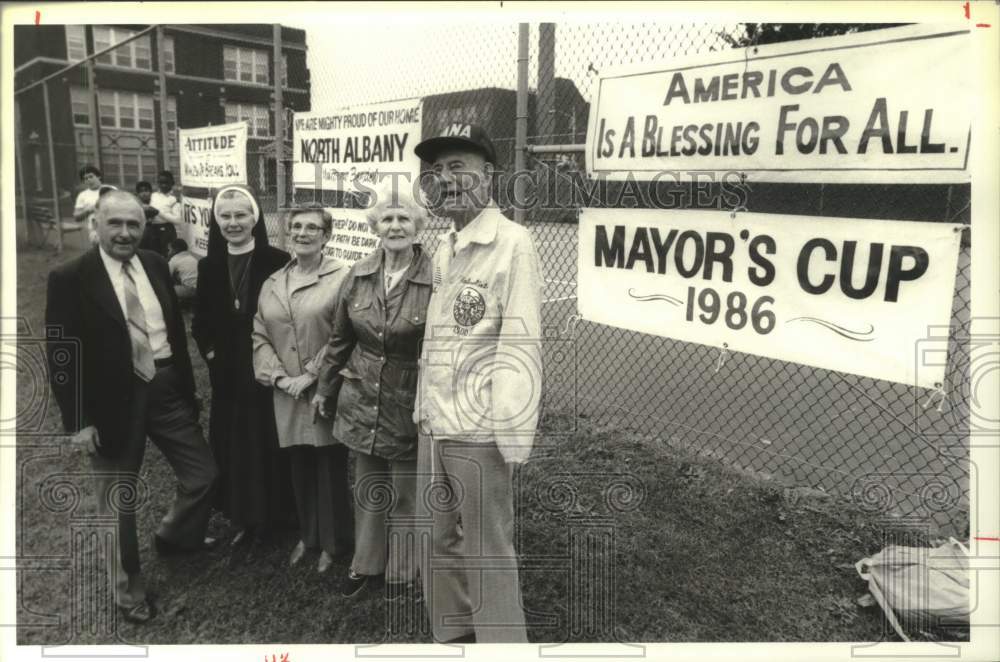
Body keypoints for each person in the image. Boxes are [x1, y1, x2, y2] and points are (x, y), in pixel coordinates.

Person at [45, 189, 218, 625]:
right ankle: (128, 592)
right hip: (109, 404)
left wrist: (185, 386)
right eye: (115, 224)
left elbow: (173, 331)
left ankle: (174, 535)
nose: (125, 233)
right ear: (97, 226)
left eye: (133, 224)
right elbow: (62, 356)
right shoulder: (70, 277)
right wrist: (79, 421)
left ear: (145, 226)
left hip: (164, 389)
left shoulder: (156, 264)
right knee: (116, 503)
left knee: (204, 474)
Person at [412, 123, 543, 643]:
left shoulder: (512, 243)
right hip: (435, 419)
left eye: (458, 167)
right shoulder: (447, 243)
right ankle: (453, 634)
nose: (446, 179)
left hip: (478, 426)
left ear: (489, 175)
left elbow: (521, 344)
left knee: (487, 544)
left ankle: (502, 645)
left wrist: (507, 434)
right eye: (437, 170)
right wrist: (424, 405)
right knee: (439, 534)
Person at [312, 185, 433, 600]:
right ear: (375, 227)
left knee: (405, 491)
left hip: (409, 398)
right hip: (361, 396)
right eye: (387, 218)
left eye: (404, 219)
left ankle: (403, 574)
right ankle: (367, 566)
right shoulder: (358, 273)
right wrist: (325, 389)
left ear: (418, 227)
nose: (395, 225)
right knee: (368, 486)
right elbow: (339, 339)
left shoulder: (437, 277)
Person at [252, 205, 354, 573]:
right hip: (287, 390)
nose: (302, 233)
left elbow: (346, 333)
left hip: (326, 386)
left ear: (327, 236)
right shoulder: (274, 281)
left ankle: (335, 542)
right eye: (296, 226)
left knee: (328, 464)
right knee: (298, 461)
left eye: (313, 228)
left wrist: (311, 374)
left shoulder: (343, 277)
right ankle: (308, 536)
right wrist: (278, 377)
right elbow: (260, 333)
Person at [192, 185, 295, 547]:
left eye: (241, 215)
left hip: (266, 361)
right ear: (216, 220)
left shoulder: (278, 260)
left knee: (266, 435)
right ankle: (243, 513)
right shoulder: (208, 265)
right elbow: (200, 322)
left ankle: (275, 512)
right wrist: (213, 356)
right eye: (226, 216)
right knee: (234, 439)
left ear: (255, 218)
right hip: (227, 372)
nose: (233, 222)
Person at [141, 171, 182, 257]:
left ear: (172, 183)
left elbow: (177, 220)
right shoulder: (153, 196)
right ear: (157, 183)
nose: (163, 185)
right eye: (161, 183)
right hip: (152, 229)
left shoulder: (174, 199)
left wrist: (158, 212)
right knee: (152, 254)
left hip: (167, 231)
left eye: (166, 183)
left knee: (166, 255)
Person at [73, 165, 103, 244]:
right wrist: (88, 211)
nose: (89, 180)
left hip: (112, 227)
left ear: (98, 176)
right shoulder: (82, 195)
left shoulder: (110, 189)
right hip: (95, 230)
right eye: (86, 178)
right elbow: (76, 217)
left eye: (91, 176)